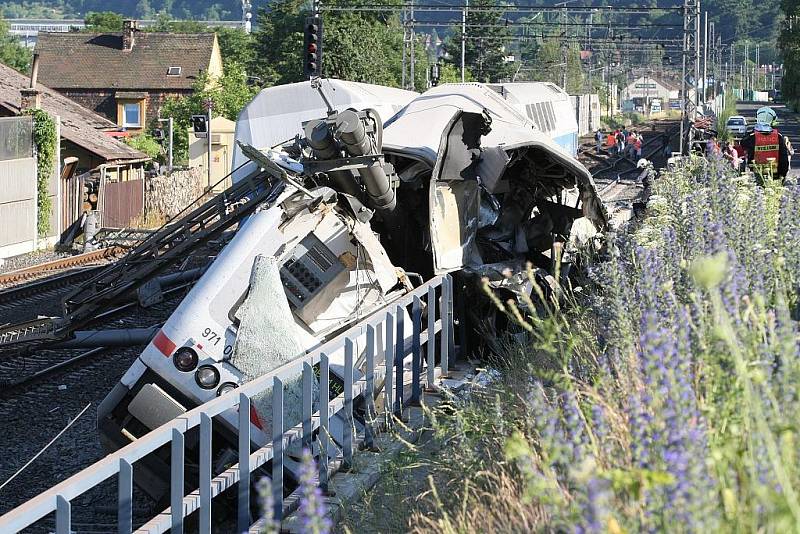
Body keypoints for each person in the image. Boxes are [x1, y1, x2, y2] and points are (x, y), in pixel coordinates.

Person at [739, 106, 790, 183]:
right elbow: (784, 160)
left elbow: (742, 143)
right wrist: (782, 176)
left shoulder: (751, 137)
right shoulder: (778, 137)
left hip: (755, 176)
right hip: (774, 176)